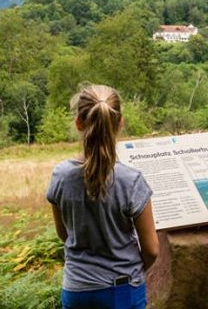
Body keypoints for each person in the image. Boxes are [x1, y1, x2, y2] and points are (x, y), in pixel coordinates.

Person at [46, 84, 159, 309]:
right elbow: (152, 249)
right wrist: (135, 270)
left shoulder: (61, 175)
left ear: (79, 123)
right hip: (122, 288)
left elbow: (63, 233)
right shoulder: (131, 180)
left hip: (77, 288)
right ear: (120, 124)